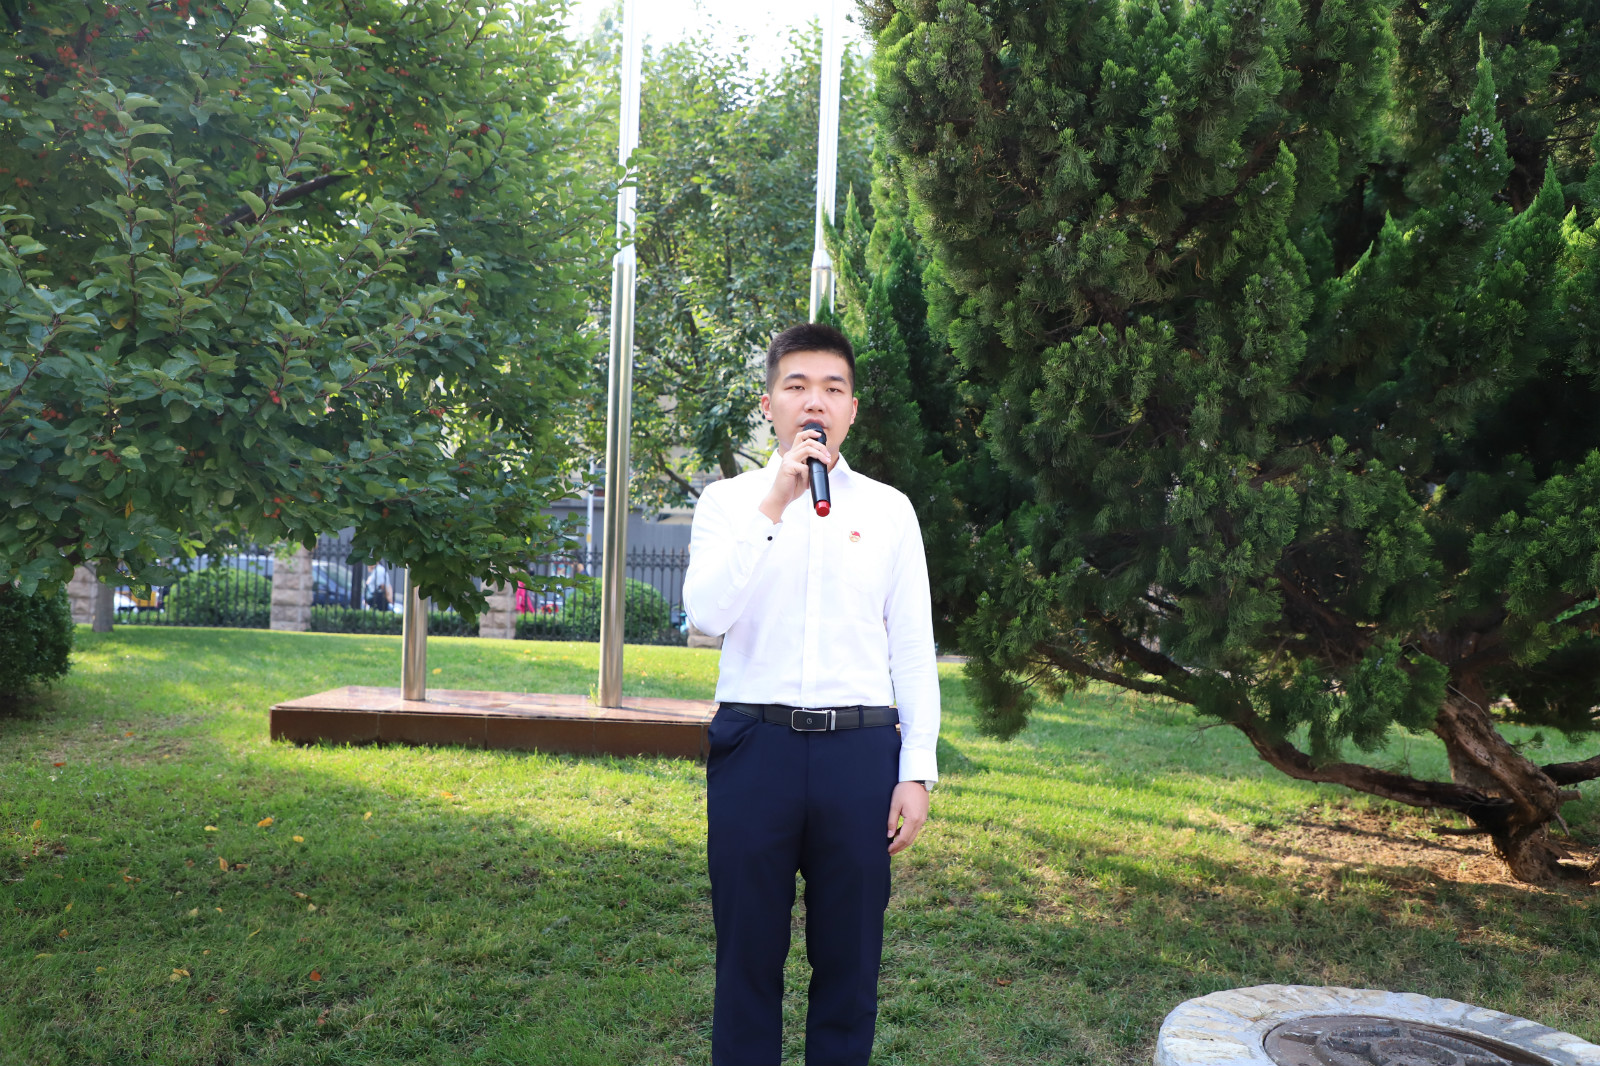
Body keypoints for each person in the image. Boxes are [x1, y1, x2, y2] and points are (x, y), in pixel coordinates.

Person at [684, 322, 939, 1066]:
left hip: (859, 754)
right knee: (746, 961)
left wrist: (916, 771)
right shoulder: (729, 502)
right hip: (754, 748)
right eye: (796, 386)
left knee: (850, 968)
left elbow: (912, 648)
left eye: (832, 387)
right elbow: (706, 615)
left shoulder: (889, 510)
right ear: (770, 405)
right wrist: (775, 503)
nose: (814, 401)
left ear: (852, 408)